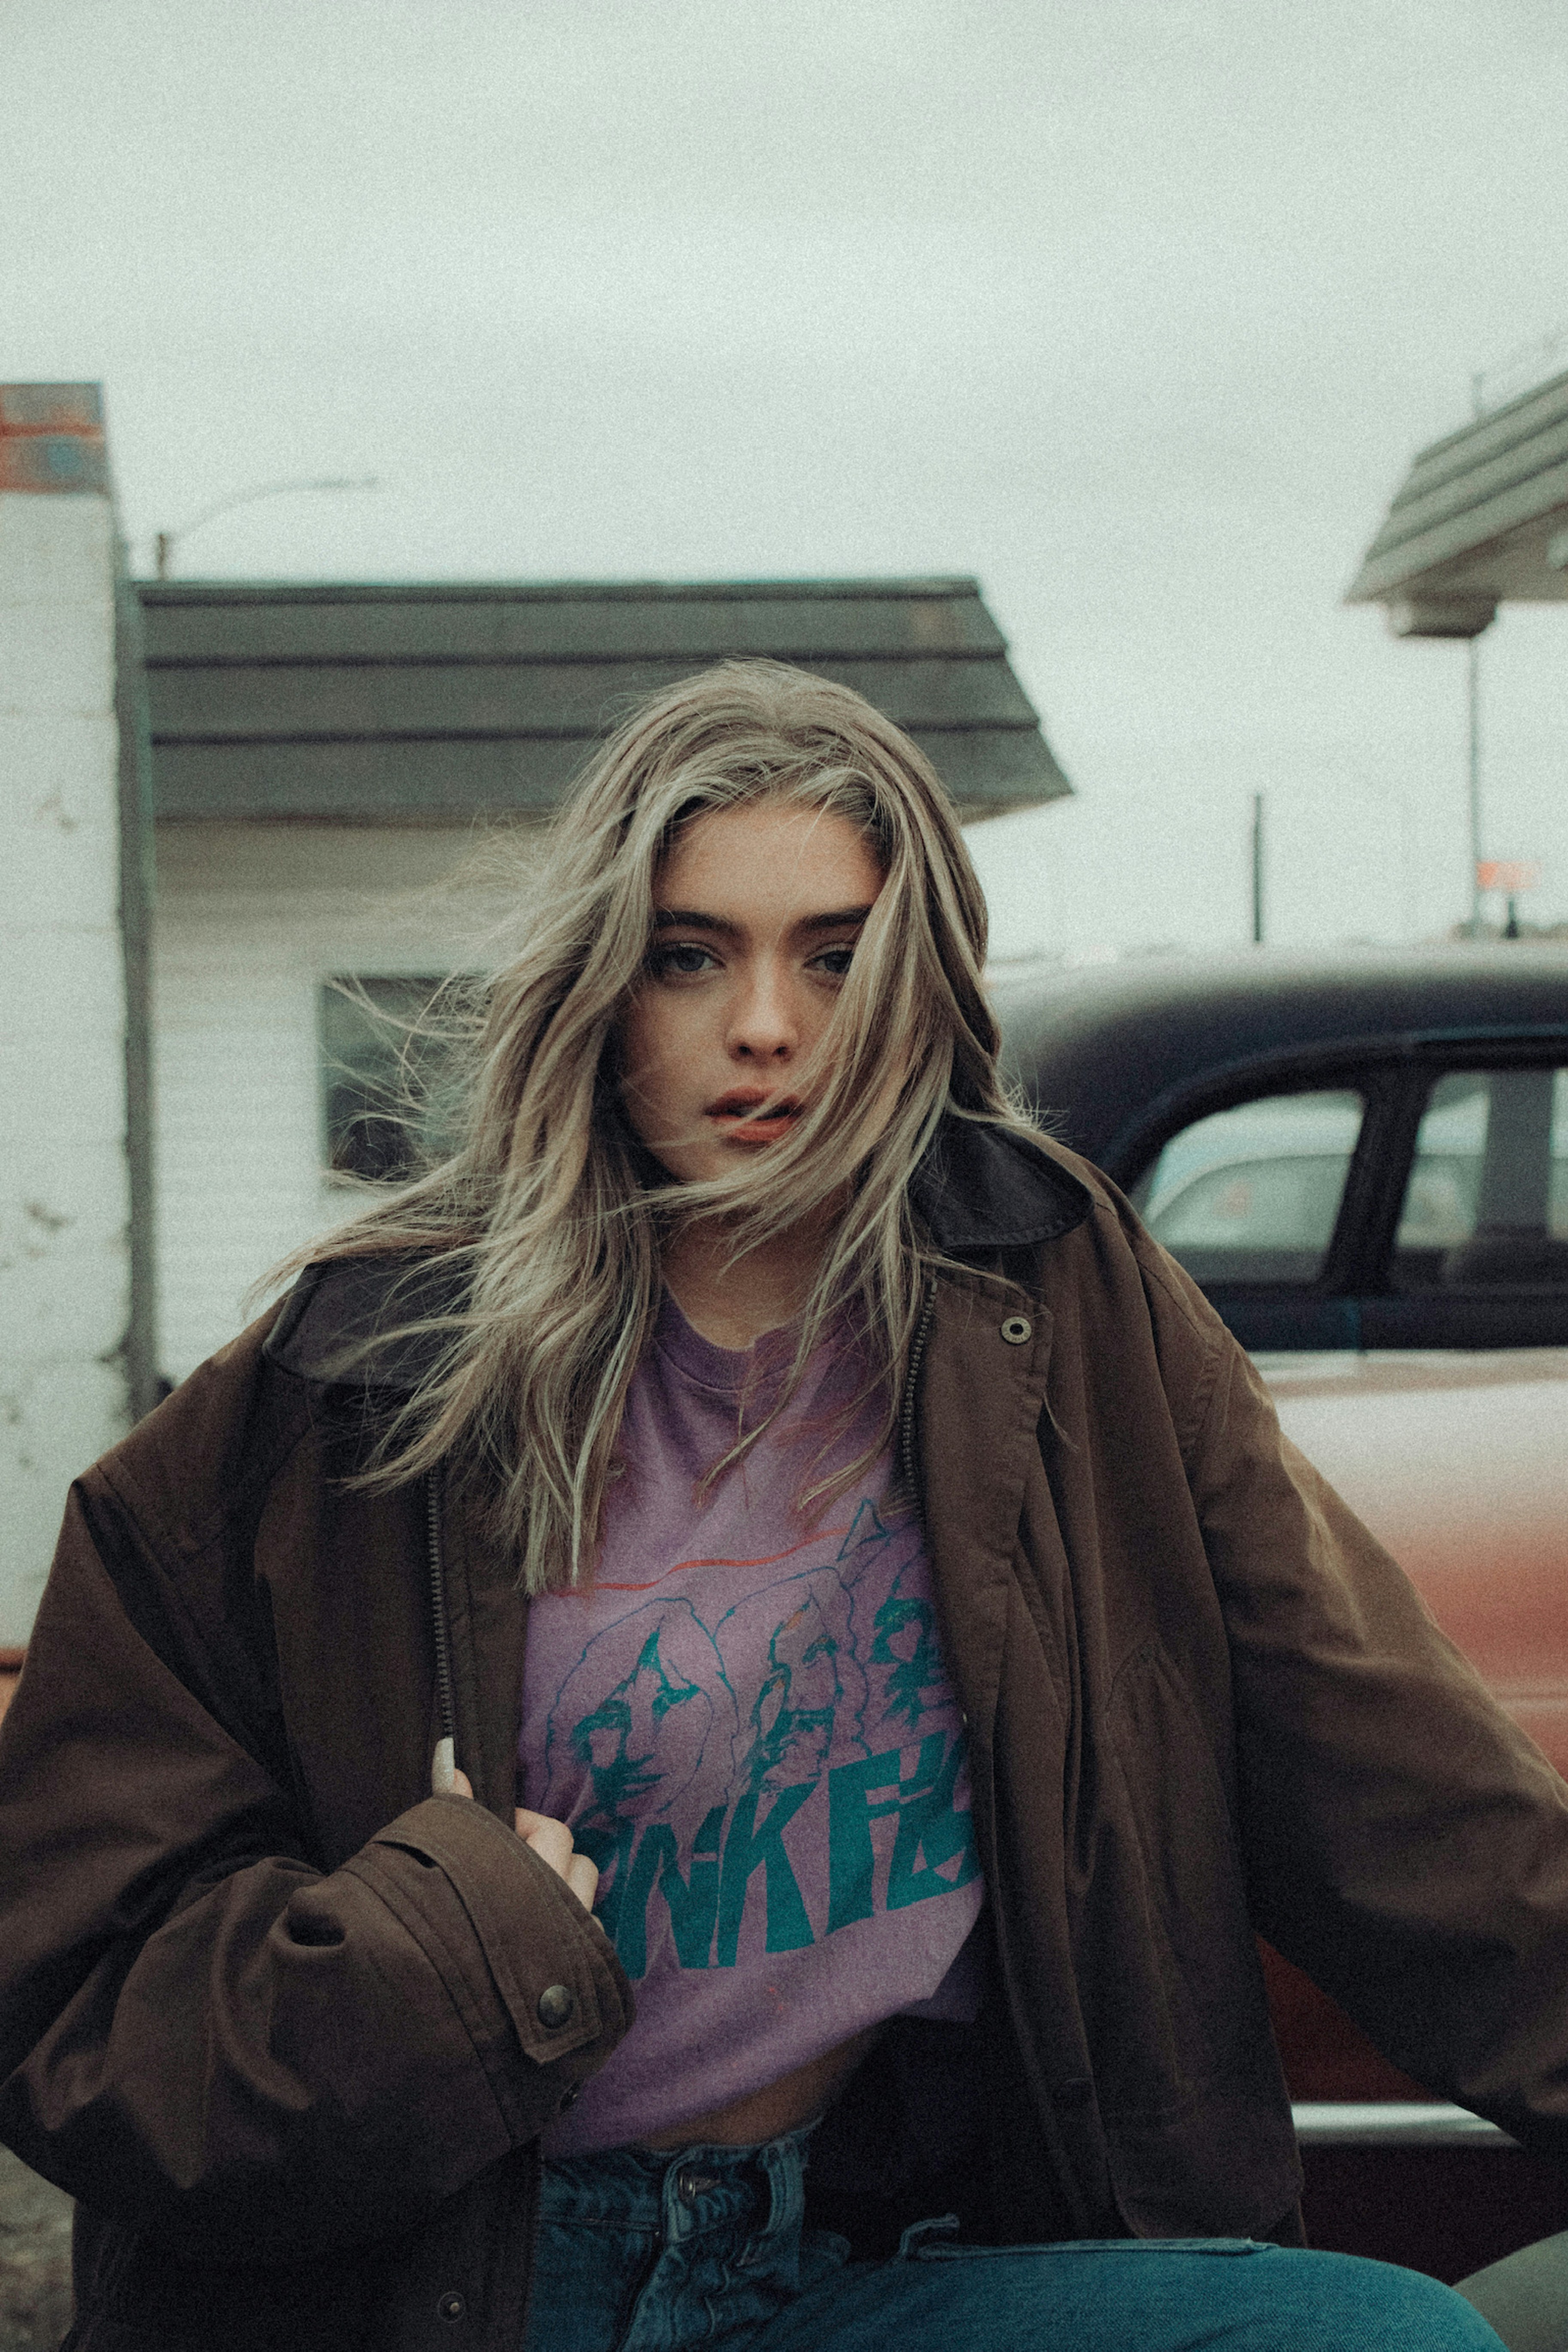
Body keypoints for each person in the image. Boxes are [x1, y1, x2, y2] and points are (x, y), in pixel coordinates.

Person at [0, 660, 1551, 2352]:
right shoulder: (351, 1376)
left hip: (850, 2258)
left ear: (918, 984)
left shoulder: (1058, 1294)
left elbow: (1399, 1790)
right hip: (465, 2288)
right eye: (691, 954)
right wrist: (439, 1954)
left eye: (834, 956)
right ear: (604, 982)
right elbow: (74, 1985)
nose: (764, 1026)